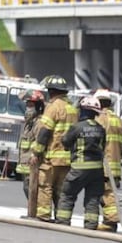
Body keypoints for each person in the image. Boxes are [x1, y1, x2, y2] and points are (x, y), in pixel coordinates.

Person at [58, 96, 118, 231]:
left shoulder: (77, 127)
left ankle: (63, 222)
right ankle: (91, 226)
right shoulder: (101, 129)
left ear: (83, 111)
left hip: (79, 169)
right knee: (92, 200)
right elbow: (103, 147)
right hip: (97, 172)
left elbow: (65, 142)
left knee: (67, 195)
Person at [30, 75, 77, 223]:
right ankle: (62, 218)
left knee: (45, 186)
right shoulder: (73, 109)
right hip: (67, 159)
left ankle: (43, 216)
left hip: (51, 156)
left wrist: (36, 152)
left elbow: (45, 132)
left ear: (52, 91)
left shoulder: (53, 107)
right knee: (62, 190)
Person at [16, 89, 46, 203]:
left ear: (38, 106)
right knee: (28, 189)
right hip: (27, 166)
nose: (28, 108)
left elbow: (40, 141)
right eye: (27, 105)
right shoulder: (29, 122)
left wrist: (35, 156)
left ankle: (35, 213)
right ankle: (33, 212)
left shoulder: (39, 123)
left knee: (33, 190)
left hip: (33, 165)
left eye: (31, 105)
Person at [93, 89, 122, 189]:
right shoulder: (118, 120)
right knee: (110, 196)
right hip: (115, 168)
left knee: (101, 196)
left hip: (102, 167)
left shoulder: (99, 118)